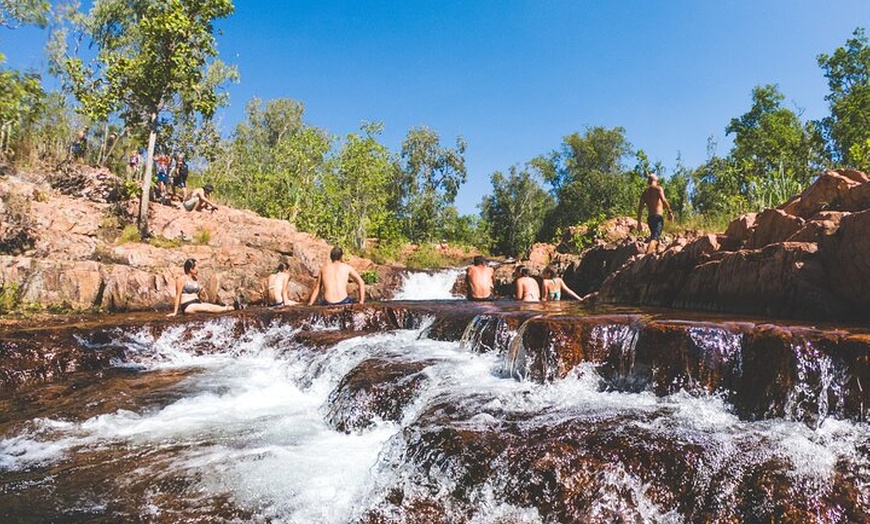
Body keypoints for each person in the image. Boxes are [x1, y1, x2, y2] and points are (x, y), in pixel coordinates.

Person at [168, 258, 240, 316]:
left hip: (197, 302)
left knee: (211, 307)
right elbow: (178, 296)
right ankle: (232, 308)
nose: (198, 269)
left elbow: (200, 296)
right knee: (209, 308)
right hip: (188, 306)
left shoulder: (195, 279)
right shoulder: (182, 279)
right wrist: (175, 313)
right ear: (191, 269)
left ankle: (232, 307)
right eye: (196, 267)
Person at [636, 172, 675, 254]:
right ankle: (647, 256)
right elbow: (663, 200)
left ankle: (653, 254)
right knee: (655, 238)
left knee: (654, 236)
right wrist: (670, 212)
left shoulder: (645, 193)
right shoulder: (658, 189)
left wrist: (639, 223)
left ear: (648, 181)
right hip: (657, 217)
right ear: (656, 180)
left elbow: (640, 209)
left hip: (650, 219)